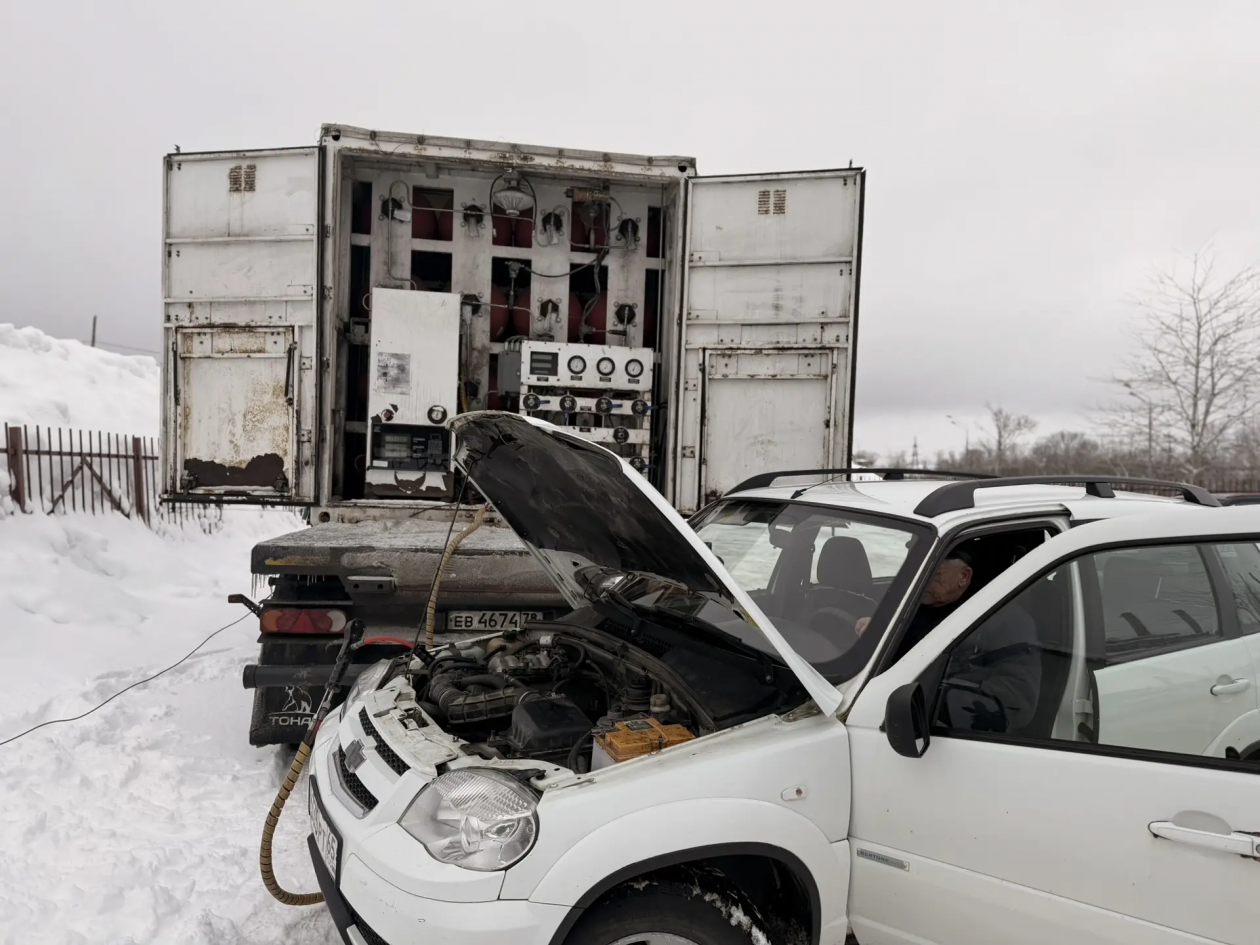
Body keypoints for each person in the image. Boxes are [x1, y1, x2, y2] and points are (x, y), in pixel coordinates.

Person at [857, 548, 1042, 733]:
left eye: (934, 572)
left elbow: (1017, 700)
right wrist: (877, 635)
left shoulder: (1005, 620)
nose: (923, 579)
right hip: (881, 710)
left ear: (963, 576)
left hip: (948, 733)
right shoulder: (908, 603)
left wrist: (932, 697)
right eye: (920, 571)